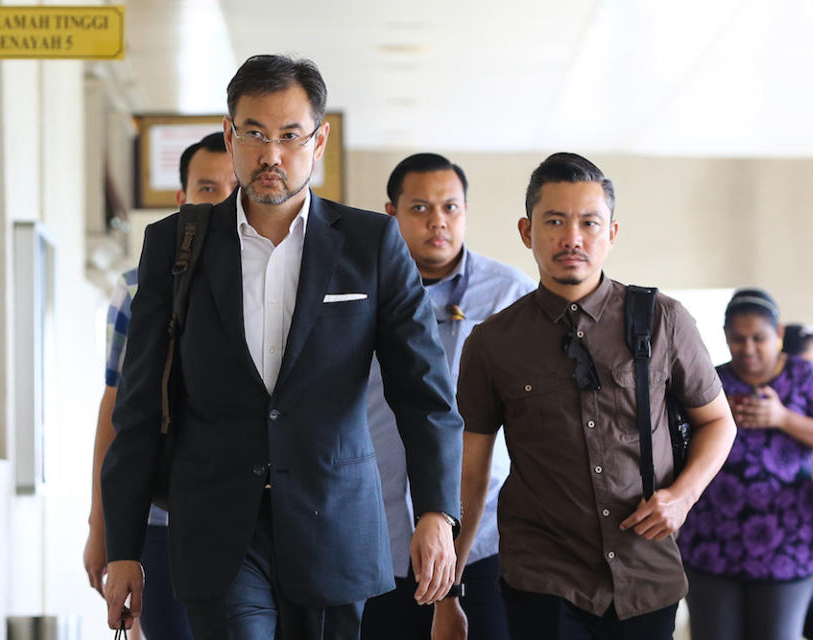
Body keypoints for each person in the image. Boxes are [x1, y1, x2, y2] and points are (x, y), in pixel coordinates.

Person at [100, 54, 463, 640]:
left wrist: (437, 512)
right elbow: (138, 405)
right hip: (218, 529)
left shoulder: (371, 244)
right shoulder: (175, 246)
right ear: (230, 135)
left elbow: (423, 393)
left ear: (318, 142)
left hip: (334, 525)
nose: (272, 155)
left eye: (290, 136)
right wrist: (123, 547)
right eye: (255, 134)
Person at [453, 152, 736, 640]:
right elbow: (472, 470)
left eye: (589, 222)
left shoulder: (663, 320)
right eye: (555, 221)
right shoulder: (493, 341)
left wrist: (682, 498)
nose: (572, 238)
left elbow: (719, 422)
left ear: (611, 234)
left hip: (645, 571)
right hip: (542, 575)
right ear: (527, 231)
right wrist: (451, 583)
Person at [361, 153, 534, 640]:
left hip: (485, 538)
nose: (438, 221)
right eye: (420, 208)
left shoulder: (510, 296)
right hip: (382, 531)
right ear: (392, 214)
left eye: (450, 207)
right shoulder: (356, 291)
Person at [83, 132, 237, 640]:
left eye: (234, 187)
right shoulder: (137, 287)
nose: (224, 202)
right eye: (208, 188)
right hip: (161, 520)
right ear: (183, 200)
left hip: (249, 520)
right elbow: (117, 410)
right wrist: (101, 527)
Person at [678, 289, 813, 640]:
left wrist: (784, 419)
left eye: (759, 338)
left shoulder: (805, 377)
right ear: (724, 335)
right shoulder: (709, 381)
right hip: (711, 543)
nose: (748, 348)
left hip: (787, 546)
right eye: (738, 339)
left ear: (779, 334)